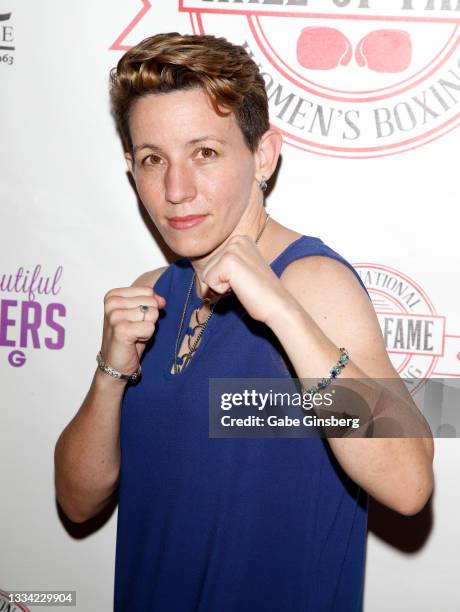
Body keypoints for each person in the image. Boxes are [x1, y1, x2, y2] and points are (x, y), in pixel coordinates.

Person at [54, 32, 434, 611]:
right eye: (154, 159)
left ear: (263, 155)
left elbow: (408, 485)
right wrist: (109, 373)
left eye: (204, 152)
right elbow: (77, 503)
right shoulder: (150, 293)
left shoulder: (311, 283)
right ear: (132, 170)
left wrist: (281, 309)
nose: (176, 191)